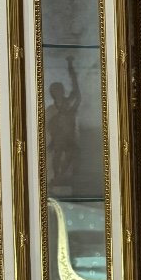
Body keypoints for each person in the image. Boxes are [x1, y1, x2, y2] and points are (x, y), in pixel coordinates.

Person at [46, 57, 80, 189]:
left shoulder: (70, 103)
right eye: (55, 91)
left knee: (71, 154)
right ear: (53, 93)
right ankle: (57, 176)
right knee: (57, 154)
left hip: (69, 137)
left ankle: (62, 176)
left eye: (59, 89)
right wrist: (53, 139)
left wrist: (71, 68)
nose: (58, 92)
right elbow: (50, 126)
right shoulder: (51, 109)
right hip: (58, 139)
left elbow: (76, 91)